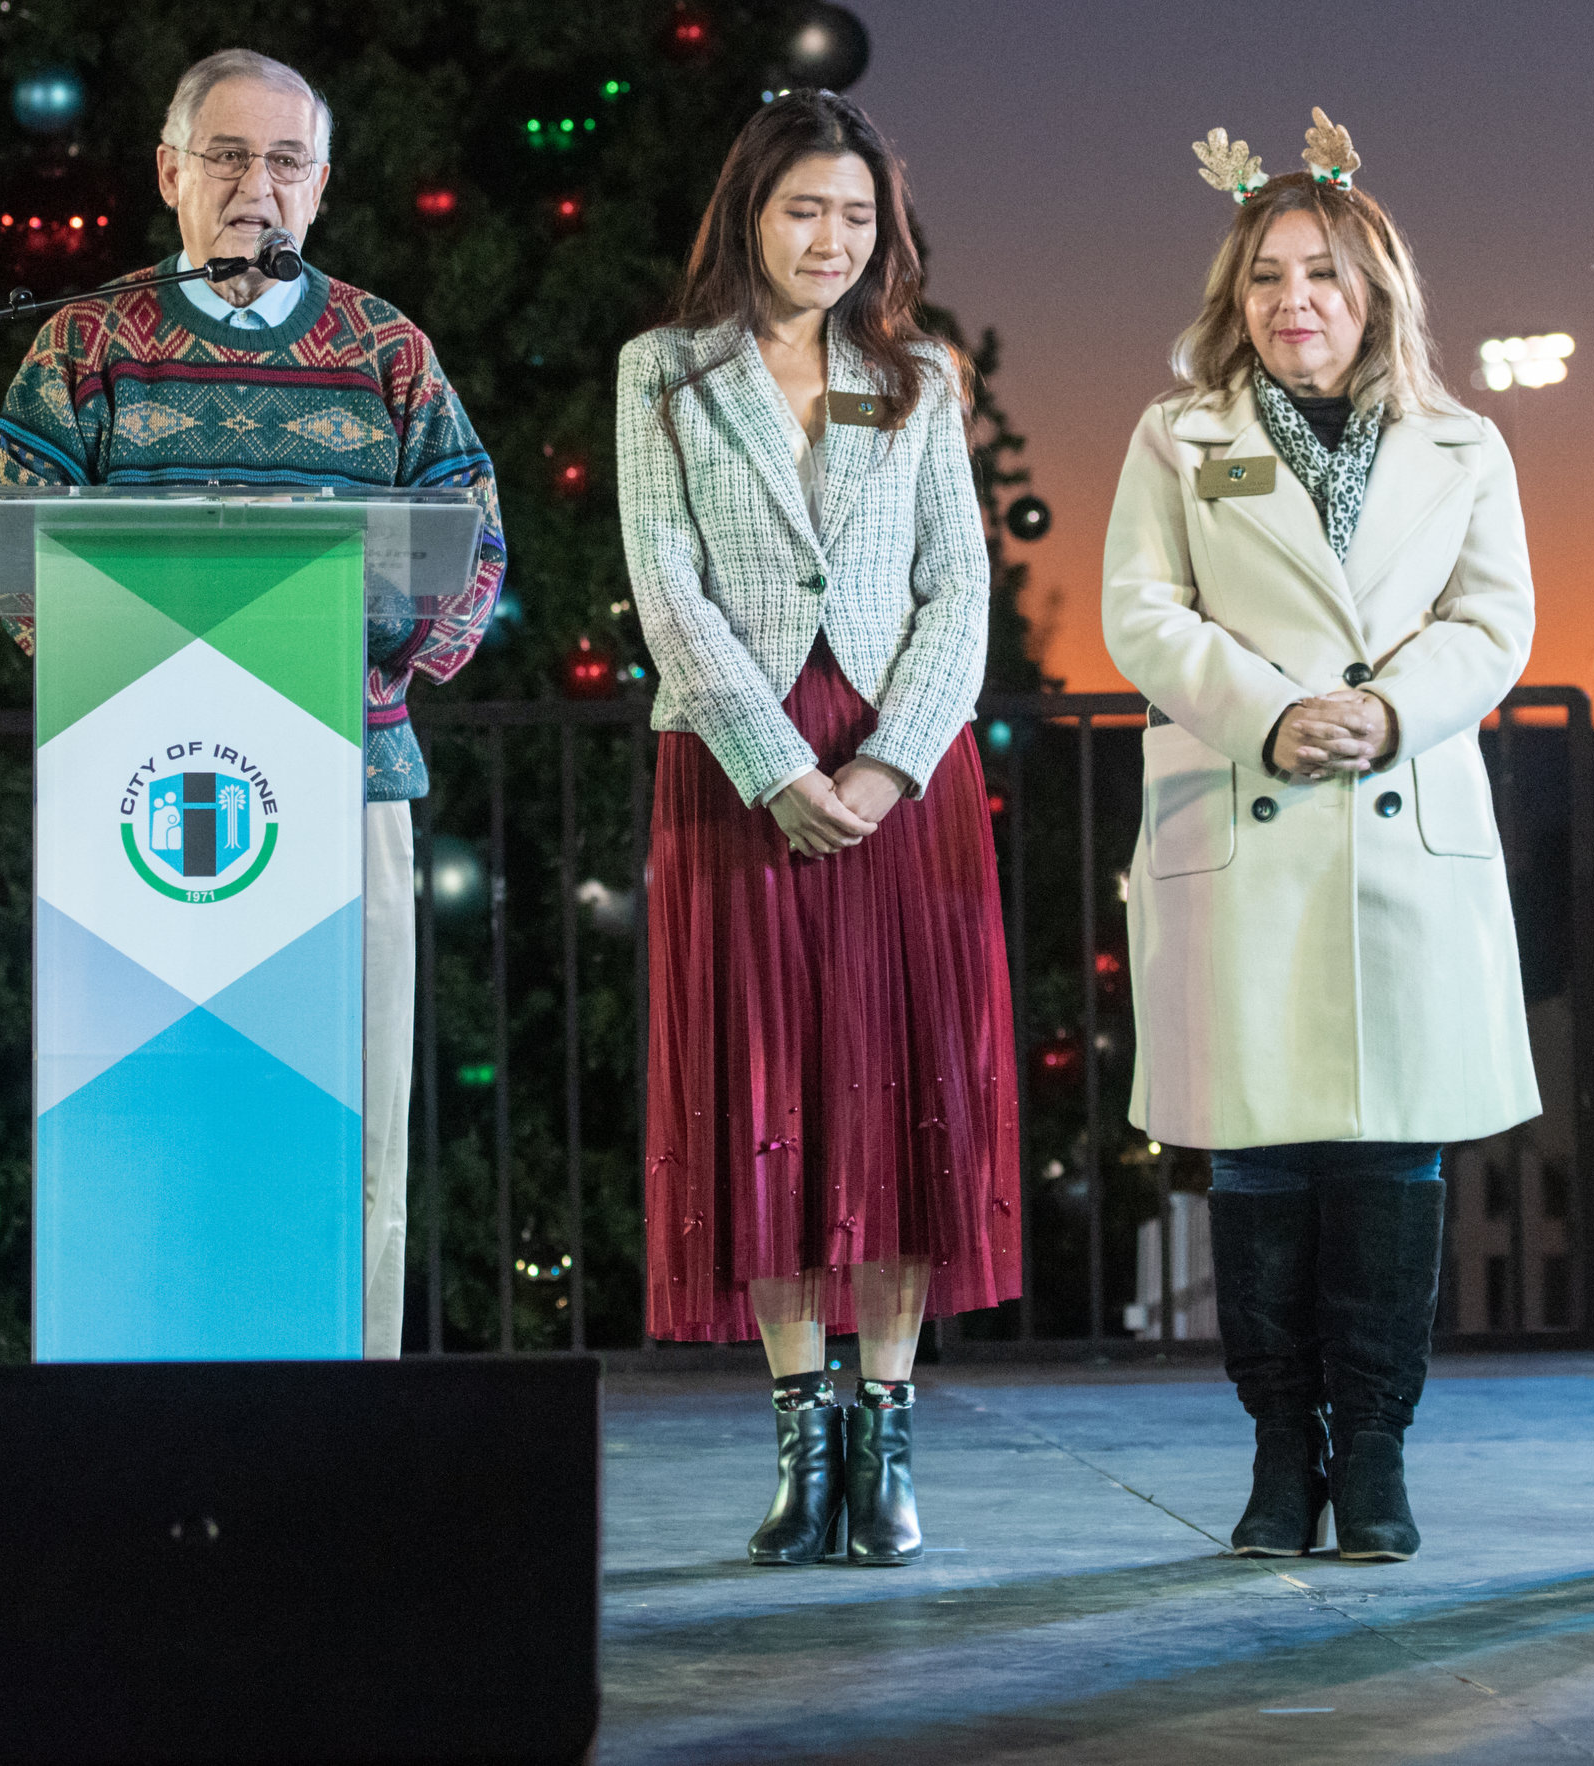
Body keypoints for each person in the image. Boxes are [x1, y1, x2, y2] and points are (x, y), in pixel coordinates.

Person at [0, 50, 503, 1352]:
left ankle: (349, 1429)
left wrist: (352, 641)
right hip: (138, 807)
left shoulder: (387, 349)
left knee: (353, 1132)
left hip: (352, 785)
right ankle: (136, 1422)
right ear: (169, 174)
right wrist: (148, 661)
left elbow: (474, 547)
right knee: (154, 1127)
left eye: (285, 162)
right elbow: (5, 546)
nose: (255, 187)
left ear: (320, 189)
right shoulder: (86, 344)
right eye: (226, 156)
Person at [1099, 112, 1538, 1565]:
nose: (1298, 300)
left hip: (1398, 813)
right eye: (1272, 275)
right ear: (1236, 295)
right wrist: (1275, 713)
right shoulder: (1179, 438)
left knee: (1392, 1164)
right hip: (1247, 807)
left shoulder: (1466, 442)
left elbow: (1494, 620)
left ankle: (1384, 1451)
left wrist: (1389, 712)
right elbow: (1141, 612)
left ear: (1377, 294)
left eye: (1327, 275)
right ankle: (1283, 1453)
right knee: (1259, 1161)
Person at [617, 92, 1015, 1570]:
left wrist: (890, 766)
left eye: (857, 216)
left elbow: (956, 594)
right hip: (735, 767)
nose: (832, 239)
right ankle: (806, 1437)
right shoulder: (665, 370)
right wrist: (779, 767)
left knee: (903, 1086)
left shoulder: (917, 376)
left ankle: (891, 1440)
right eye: (807, 210)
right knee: (765, 1086)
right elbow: (667, 583)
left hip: (903, 778)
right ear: (750, 212)